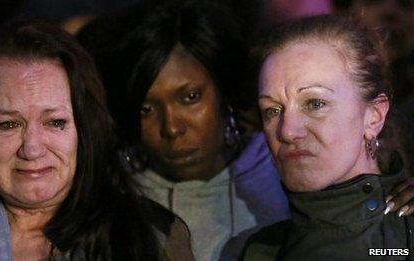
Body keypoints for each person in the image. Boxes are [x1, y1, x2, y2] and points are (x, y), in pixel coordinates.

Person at [0, 22, 194, 260]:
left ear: (82, 128)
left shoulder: (150, 237)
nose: (32, 149)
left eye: (55, 122)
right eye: (8, 125)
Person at [78, 1, 290, 260]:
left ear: (223, 90)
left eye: (190, 97)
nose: (172, 128)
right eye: (147, 109)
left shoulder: (283, 170)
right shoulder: (113, 197)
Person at [243, 15, 414, 260]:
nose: (287, 131)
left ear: (373, 117)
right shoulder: (261, 251)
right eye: (272, 110)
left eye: (314, 103)